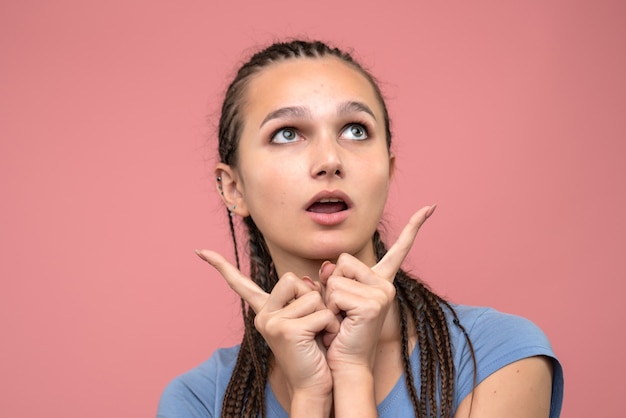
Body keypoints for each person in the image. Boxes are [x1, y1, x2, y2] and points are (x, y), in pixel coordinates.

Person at [157, 40, 564, 418]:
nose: (330, 159)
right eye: (286, 134)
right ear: (233, 188)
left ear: (388, 170)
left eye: (355, 130)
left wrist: (352, 374)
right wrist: (310, 394)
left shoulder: (499, 356)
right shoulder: (199, 400)